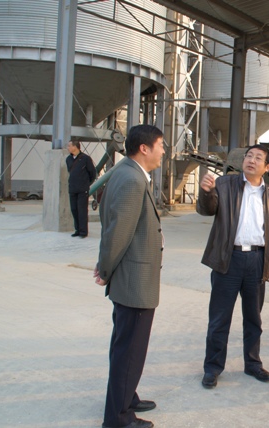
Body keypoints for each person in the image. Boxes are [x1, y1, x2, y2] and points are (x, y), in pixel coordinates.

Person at [93, 125, 165, 428]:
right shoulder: (133, 180)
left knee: (125, 346)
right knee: (130, 351)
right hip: (134, 282)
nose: (164, 151)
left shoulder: (125, 172)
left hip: (131, 278)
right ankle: (118, 418)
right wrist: (104, 269)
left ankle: (125, 396)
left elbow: (112, 222)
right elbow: (118, 232)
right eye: (161, 145)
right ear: (144, 148)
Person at [197, 144, 269, 389]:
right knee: (219, 319)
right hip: (228, 259)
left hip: (257, 261)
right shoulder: (225, 184)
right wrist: (206, 192)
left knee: (254, 319)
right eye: (248, 156)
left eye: (258, 158)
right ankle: (212, 368)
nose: (251, 160)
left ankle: (253, 364)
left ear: (267, 167)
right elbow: (207, 210)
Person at [66, 140, 97, 238]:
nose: (68, 147)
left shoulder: (85, 158)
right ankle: (77, 230)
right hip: (72, 188)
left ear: (75, 147)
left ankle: (83, 231)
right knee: (74, 209)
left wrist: (86, 183)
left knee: (82, 210)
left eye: (69, 146)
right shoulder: (68, 159)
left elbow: (92, 173)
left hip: (82, 189)